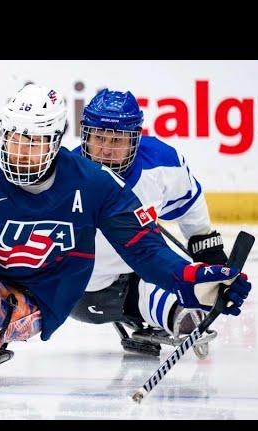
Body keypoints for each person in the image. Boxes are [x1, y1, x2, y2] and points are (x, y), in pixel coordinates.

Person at [0, 84, 251, 387]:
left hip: (52, 291)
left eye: (33, 142)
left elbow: (144, 248)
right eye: (14, 138)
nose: (20, 152)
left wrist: (189, 279)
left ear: (54, 143)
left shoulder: (95, 183)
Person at [70, 89, 229, 359]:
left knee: (177, 295)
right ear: (86, 136)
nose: (106, 149)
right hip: (80, 291)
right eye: (99, 138)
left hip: (141, 270)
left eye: (117, 139)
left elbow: (189, 202)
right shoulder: (66, 177)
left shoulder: (162, 164)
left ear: (135, 140)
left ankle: (172, 312)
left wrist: (208, 251)